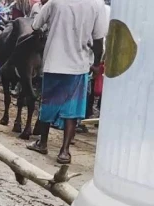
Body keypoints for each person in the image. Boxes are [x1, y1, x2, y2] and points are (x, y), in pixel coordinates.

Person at [27, 0, 108, 164]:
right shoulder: (97, 4)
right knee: (72, 109)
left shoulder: (54, 1)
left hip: (53, 62)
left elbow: (35, 25)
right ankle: (64, 151)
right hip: (78, 65)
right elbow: (99, 40)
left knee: (47, 105)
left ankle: (42, 143)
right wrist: (96, 63)